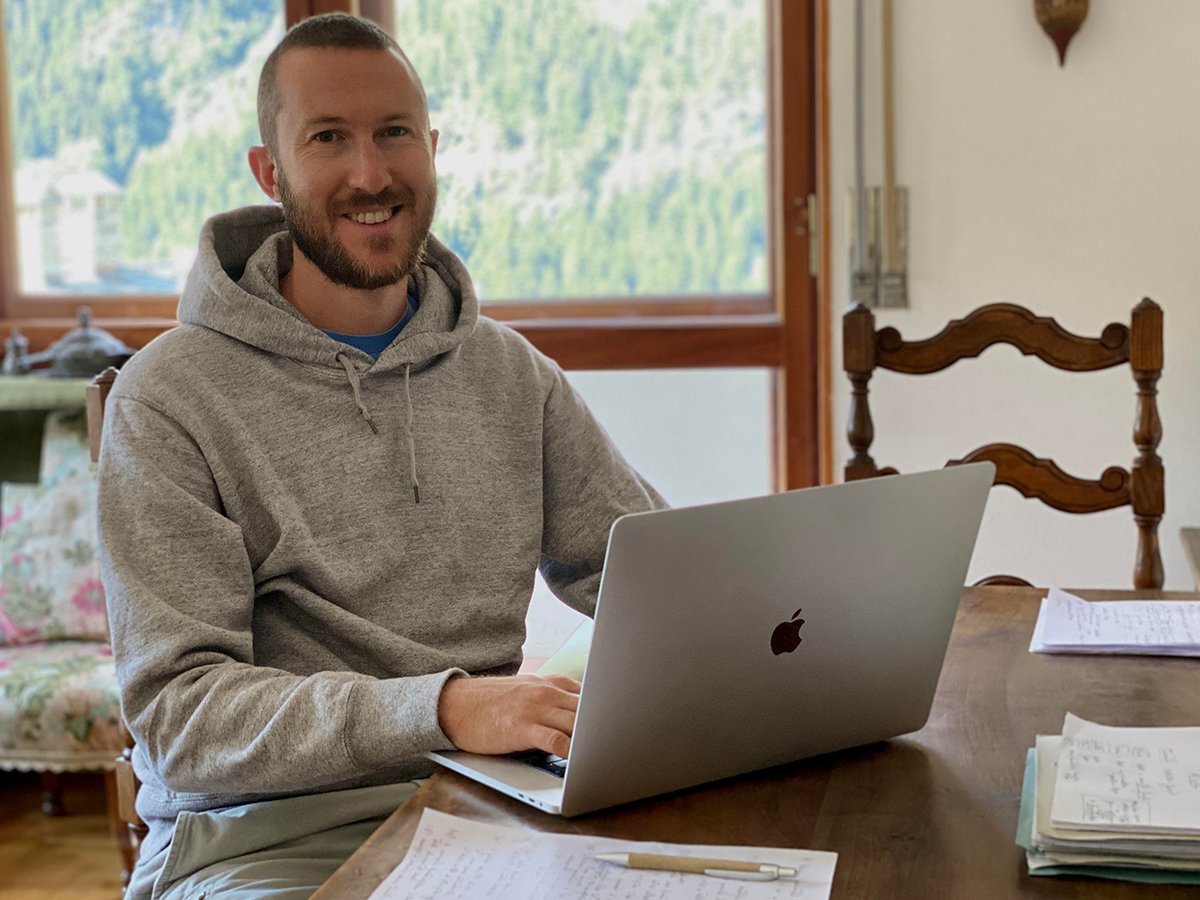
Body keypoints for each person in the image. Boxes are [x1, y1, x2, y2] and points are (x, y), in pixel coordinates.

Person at [98, 13, 663, 899]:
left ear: (430, 147)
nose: (372, 174)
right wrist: (444, 707)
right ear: (270, 170)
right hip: (262, 838)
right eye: (330, 138)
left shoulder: (511, 374)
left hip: (493, 806)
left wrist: (792, 625)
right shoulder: (171, 397)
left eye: (394, 134)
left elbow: (654, 574)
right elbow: (183, 718)